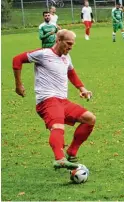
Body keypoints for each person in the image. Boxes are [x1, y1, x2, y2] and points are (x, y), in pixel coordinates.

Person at [12, 29, 96, 170]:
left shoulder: (66, 58)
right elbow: (17, 59)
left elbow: (71, 73)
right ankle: (59, 159)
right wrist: (18, 84)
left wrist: (82, 89)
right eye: (68, 43)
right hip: (47, 100)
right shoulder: (43, 54)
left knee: (90, 119)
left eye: (72, 44)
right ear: (58, 41)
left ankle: (71, 152)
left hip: (62, 101)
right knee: (57, 126)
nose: (70, 47)